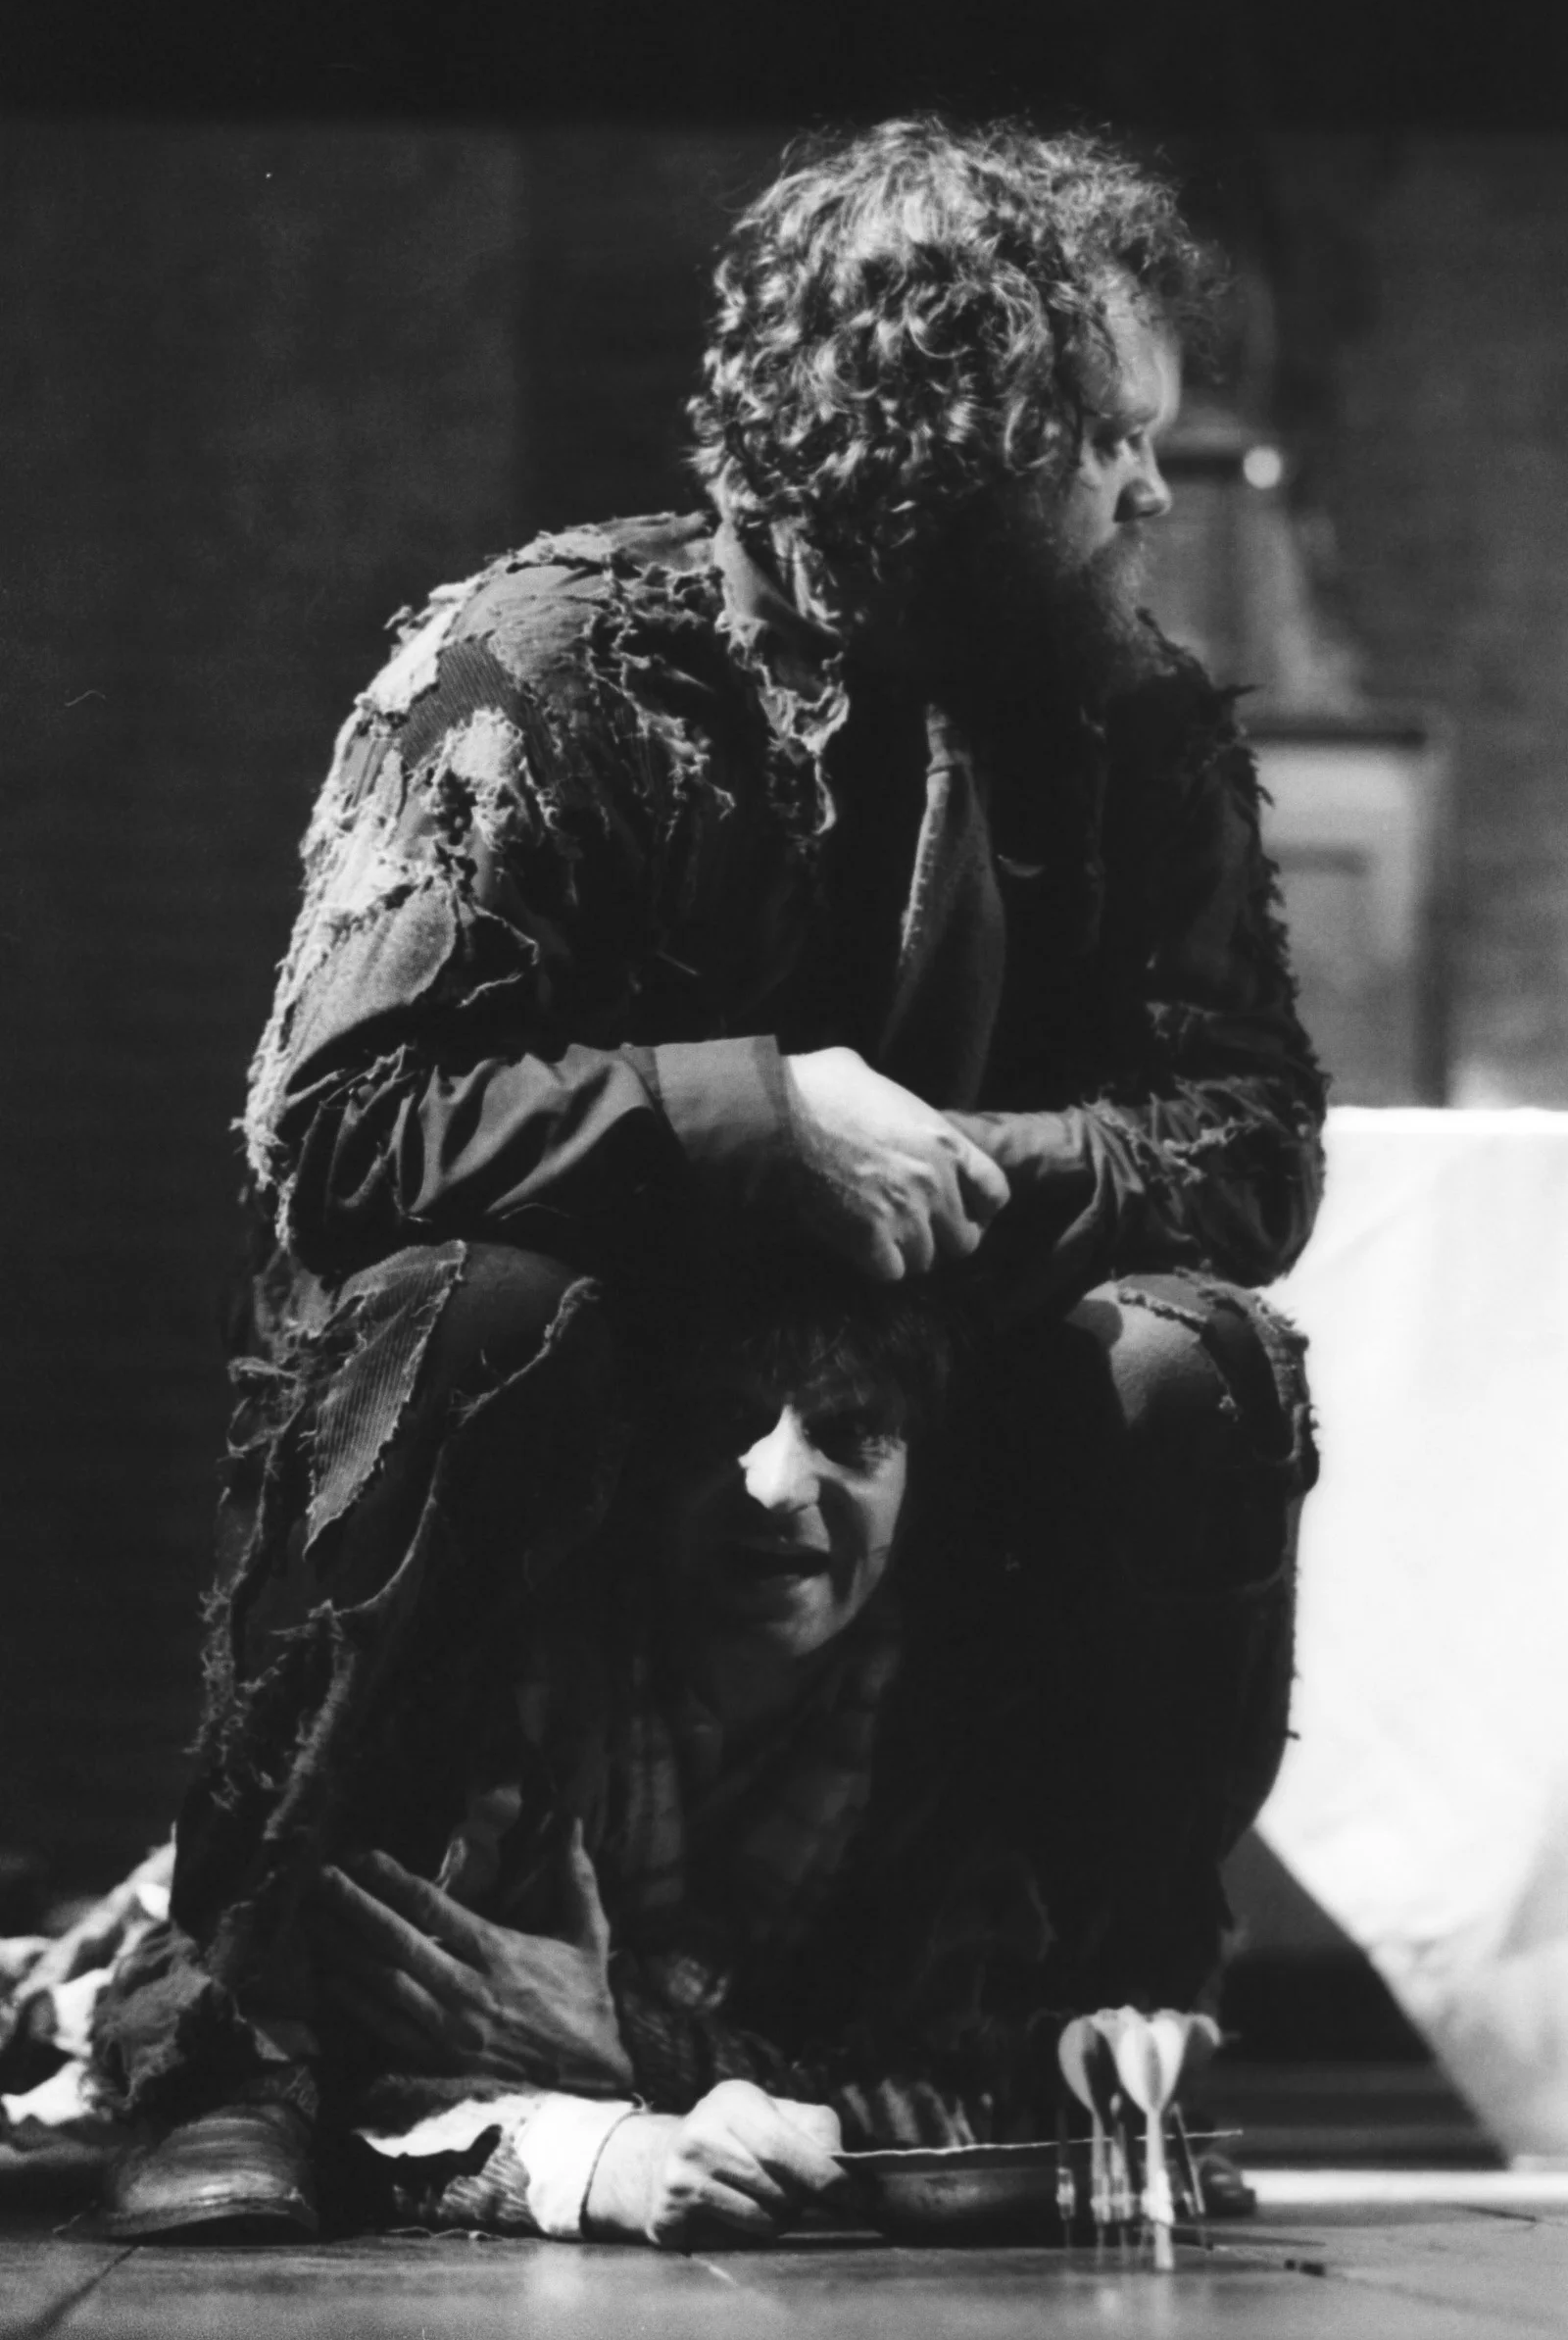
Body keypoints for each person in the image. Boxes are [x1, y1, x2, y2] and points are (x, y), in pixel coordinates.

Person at [83, 114, 1323, 2242]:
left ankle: (1089, 2037)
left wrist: (939, 1162)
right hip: (582, 1398)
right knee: (470, 1307)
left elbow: (1249, 1138)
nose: (1151, 487)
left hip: (914, 1434)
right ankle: (246, 2041)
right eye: (1106, 438)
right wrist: (757, 1121)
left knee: (1186, 1362)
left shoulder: (1132, 726)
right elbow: (338, 1121)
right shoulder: (538, 667)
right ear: (941, 440)